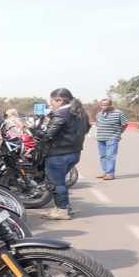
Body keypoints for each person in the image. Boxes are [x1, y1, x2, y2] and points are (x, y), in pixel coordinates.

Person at [37, 88, 90, 220]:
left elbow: (48, 135)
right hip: (74, 152)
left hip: (58, 153)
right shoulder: (80, 112)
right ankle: (63, 207)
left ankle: (62, 210)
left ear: (60, 100)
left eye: (52, 101)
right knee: (60, 181)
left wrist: (31, 131)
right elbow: (87, 128)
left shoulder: (61, 113)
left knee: (56, 183)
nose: (51, 104)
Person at [95, 98, 128, 180]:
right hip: (101, 137)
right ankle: (105, 172)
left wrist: (118, 133)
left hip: (112, 137)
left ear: (110, 105)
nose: (103, 106)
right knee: (103, 156)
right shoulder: (99, 114)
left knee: (110, 156)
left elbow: (125, 124)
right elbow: (98, 124)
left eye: (105, 105)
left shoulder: (119, 113)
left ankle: (110, 174)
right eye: (102, 105)